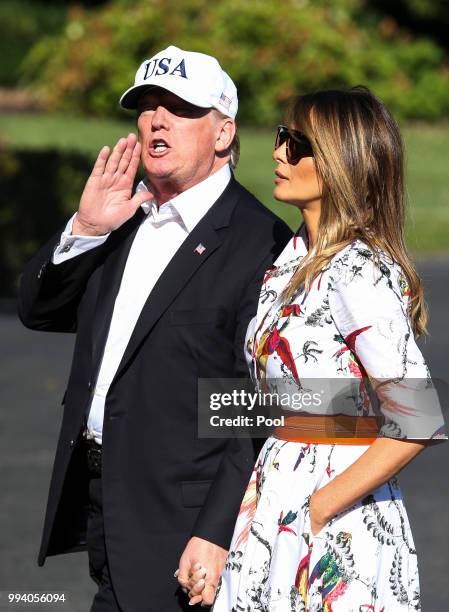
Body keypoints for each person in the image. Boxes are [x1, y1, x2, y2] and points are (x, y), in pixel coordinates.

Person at [17, 45, 292, 612]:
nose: (156, 121)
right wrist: (87, 227)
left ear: (223, 134)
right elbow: (38, 310)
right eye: (145, 106)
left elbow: (264, 405)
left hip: (187, 524)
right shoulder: (121, 217)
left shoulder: (261, 242)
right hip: (104, 503)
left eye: (180, 107)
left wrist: (216, 530)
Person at [184, 86, 448, 610]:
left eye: (296, 144)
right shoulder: (291, 259)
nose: (279, 152)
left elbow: (419, 418)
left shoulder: (358, 269)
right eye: (282, 137)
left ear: (339, 162)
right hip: (276, 501)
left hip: (336, 522)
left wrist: (319, 509)